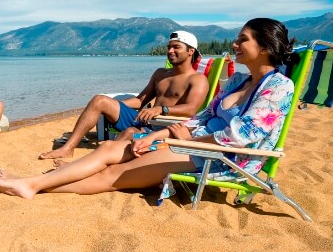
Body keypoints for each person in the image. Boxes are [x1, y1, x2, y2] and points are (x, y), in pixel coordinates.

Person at [0, 18, 294, 199]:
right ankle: (32, 181)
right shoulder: (237, 81)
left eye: (243, 39)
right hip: (189, 141)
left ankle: (32, 186)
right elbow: (203, 117)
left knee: (118, 172)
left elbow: (240, 137)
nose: (235, 44)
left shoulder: (278, 87)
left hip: (221, 158)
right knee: (109, 148)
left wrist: (175, 139)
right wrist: (160, 137)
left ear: (265, 47)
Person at [38, 31, 209, 160]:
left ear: (190, 51)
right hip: (145, 118)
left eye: (176, 47)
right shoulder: (160, 73)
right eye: (169, 47)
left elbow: (191, 109)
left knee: (129, 132)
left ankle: (92, 162)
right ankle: (68, 148)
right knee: (99, 100)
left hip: (166, 127)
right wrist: (111, 106)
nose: (170, 51)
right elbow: (141, 100)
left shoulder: (198, 79)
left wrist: (161, 109)